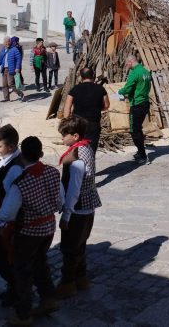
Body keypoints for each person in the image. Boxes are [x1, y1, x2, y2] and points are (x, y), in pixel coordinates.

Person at [2, 136, 63, 325]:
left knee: (23, 271)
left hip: (28, 231)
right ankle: (49, 298)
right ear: (41, 153)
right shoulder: (53, 172)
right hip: (48, 227)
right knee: (41, 263)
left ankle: (23, 313)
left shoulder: (21, 183)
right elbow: (60, 200)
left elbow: (7, 213)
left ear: (22, 157)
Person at [56, 116, 102, 298]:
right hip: (87, 204)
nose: (62, 138)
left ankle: (68, 283)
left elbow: (74, 189)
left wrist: (66, 215)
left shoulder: (76, 158)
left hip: (78, 207)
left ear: (75, 136)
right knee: (80, 245)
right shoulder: (86, 147)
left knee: (70, 248)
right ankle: (81, 278)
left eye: (64, 134)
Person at [0, 124, 26, 306]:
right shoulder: (6, 160)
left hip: (6, 220)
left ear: (11, 146)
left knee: (3, 256)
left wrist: (4, 223)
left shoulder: (15, 168)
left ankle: (16, 289)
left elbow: (13, 198)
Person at [117, 54, 153, 164]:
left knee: (134, 131)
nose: (126, 66)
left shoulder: (134, 73)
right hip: (145, 103)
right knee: (138, 129)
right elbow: (144, 87)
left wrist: (120, 92)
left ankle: (143, 156)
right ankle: (140, 151)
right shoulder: (146, 72)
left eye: (127, 64)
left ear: (130, 61)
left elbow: (128, 87)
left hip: (137, 105)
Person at [64, 68, 110, 153]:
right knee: (91, 149)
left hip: (77, 123)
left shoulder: (75, 89)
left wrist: (66, 122)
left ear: (81, 77)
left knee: (76, 148)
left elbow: (67, 107)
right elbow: (107, 105)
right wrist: (97, 108)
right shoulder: (100, 89)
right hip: (93, 123)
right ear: (93, 75)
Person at [0, 36, 24, 103]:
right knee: (4, 84)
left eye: (8, 42)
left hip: (11, 69)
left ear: (10, 42)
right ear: (4, 42)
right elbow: (0, 59)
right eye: (6, 42)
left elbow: (19, 59)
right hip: (4, 69)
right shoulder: (2, 49)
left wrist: (17, 68)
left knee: (10, 84)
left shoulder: (14, 49)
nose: (7, 43)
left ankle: (20, 94)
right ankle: (6, 98)